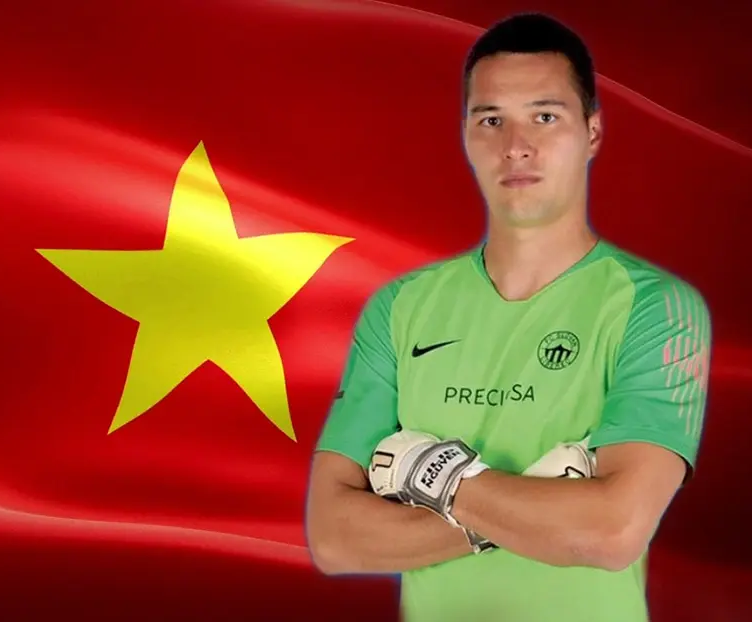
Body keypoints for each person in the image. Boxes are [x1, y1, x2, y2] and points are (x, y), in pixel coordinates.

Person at [304, 12, 712, 622]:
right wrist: (543, 509)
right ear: (466, 135)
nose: (515, 145)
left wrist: (434, 479)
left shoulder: (657, 308)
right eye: (491, 120)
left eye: (545, 117)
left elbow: (610, 532)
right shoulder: (400, 308)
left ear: (593, 132)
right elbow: (333, 537)